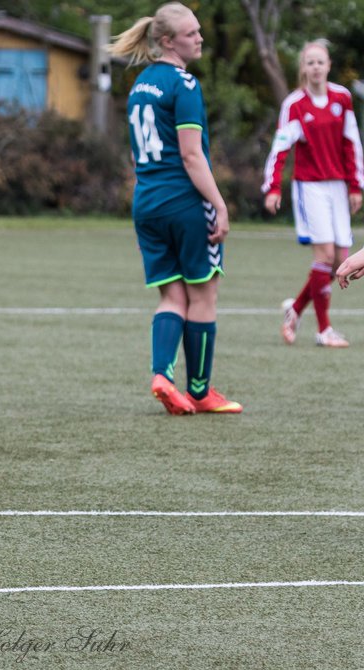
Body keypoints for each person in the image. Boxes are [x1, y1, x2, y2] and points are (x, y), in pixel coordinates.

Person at [111, 3, 242, 415]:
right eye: (191, 33)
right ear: (167, 41)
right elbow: (191, 156)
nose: (199, 38)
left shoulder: (140, 84)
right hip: (184, 203)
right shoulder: (184, 85)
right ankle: (201, 392)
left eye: (199, 31)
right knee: (204, 294)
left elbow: (137, 155)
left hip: (146, 201)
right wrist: (219, 204)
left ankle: (162, 376)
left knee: (172, 295)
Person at [262, 39, 363, 348]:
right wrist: (273, 186)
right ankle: (324, 330)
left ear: (329, 66)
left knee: (341, 262)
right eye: (310, 63)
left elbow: (351, 143)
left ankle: (295, 310)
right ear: (303, 69)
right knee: (326, 255)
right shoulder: (295, 104)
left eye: (321, 62)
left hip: (338, 187)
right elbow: (280, 147)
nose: (316, 67)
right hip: (310, 187)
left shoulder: (342, 98)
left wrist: (356, 185)